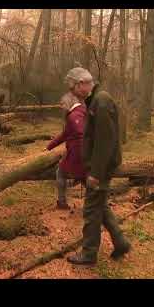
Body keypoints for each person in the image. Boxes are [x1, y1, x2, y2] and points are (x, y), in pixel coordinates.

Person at [67, 80, 131, 265]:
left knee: (91, 209)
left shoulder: (101, 101)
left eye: (76, 89)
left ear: (84, 84)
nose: (75, 94)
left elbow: (104, 141)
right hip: (99, 166)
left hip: (100, 168)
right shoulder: (96, 100)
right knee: (100, 205)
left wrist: (95, 172)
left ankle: (89, 254)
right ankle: (121, 242)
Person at [46, 68, 93, 210]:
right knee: (86, 180)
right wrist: (49, 147)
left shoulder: (74, 116)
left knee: (61, 173)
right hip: (86, 155)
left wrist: (74, 153)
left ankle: (62, 202)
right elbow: (65, 135)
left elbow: (79, 134)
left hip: (78, 155)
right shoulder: (82, 112)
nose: (62, 107)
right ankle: (94, 205)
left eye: (63, 105)